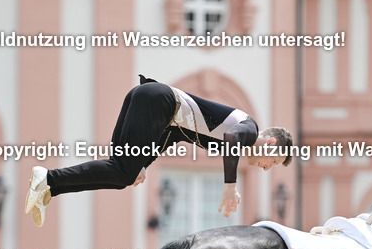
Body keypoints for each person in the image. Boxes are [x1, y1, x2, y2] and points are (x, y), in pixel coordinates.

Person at [24, 76, 294, 226]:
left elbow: (176, 133)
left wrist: (145, 162)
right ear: (271, 143)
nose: (266, 168)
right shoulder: (249, 129)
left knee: (123, 174)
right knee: (123, 172)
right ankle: (48, 177)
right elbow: (233, 139)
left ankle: (49, 189)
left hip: (149, 98)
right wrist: (229, 186)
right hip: (158, 100)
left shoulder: (232, 136)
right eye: (273, 161)